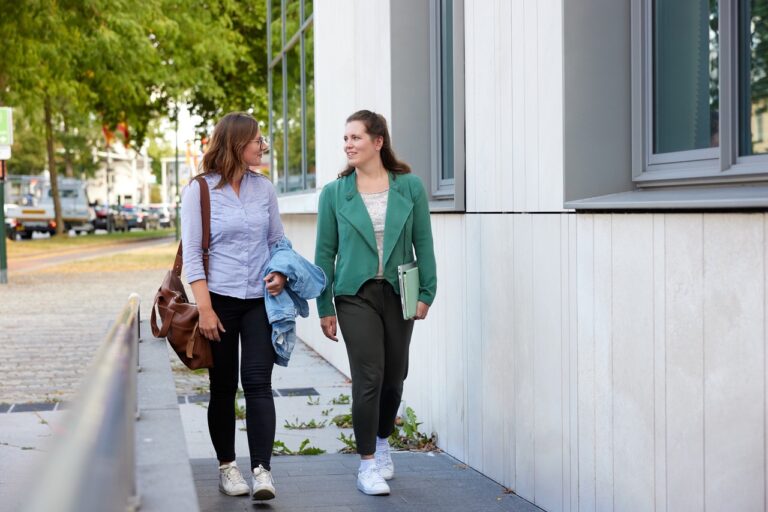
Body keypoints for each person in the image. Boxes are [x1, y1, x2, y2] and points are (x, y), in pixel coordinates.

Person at [314, 109, 437, 496]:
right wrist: (325, 306)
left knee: (394, 377)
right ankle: (367, 463)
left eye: (356, 138)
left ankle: (383, 441)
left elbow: (424, 242)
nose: (348, 145)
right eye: (346, 138)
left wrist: (427, 292)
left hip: (400, 292)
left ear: (378, 142)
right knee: (369, 376)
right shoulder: (335, 193)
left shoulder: (410, 187)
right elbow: (324, 254)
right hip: (354, 294)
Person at [181, 112, 285, 502]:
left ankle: (262, 470)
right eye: (257, 140)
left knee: (259, 381)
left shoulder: (265, 189)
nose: (263, 146)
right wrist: (204, 309)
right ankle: (227, 467)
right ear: (236, 144)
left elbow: (277, 242)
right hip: (218, 301)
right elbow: (192, 254)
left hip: (260, 300)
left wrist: (281, 273)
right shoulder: (200, 190)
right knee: (223, 387)